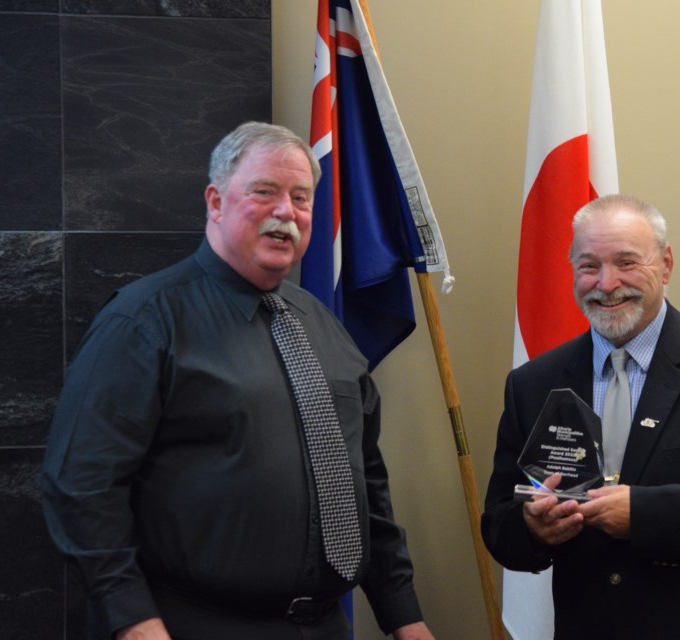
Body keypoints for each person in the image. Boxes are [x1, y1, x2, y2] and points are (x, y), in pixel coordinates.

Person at [41, 122, 434, 640]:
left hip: (325, 627)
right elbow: (80, 485)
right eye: (264, 192)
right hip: (192, 625)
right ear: (216, 201)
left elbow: (364, 482)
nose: (285, 213)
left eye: (300, 198)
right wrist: (133, 621)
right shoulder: (144, 321)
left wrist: (404, 616)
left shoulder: (324, 327)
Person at [482, 194, 680, 639]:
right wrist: (533, 528)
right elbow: (499, 524)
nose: (607, 283)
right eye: (588, 265)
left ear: (666, 264)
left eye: (627, 262)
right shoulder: (532, 384)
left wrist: (645, 514)